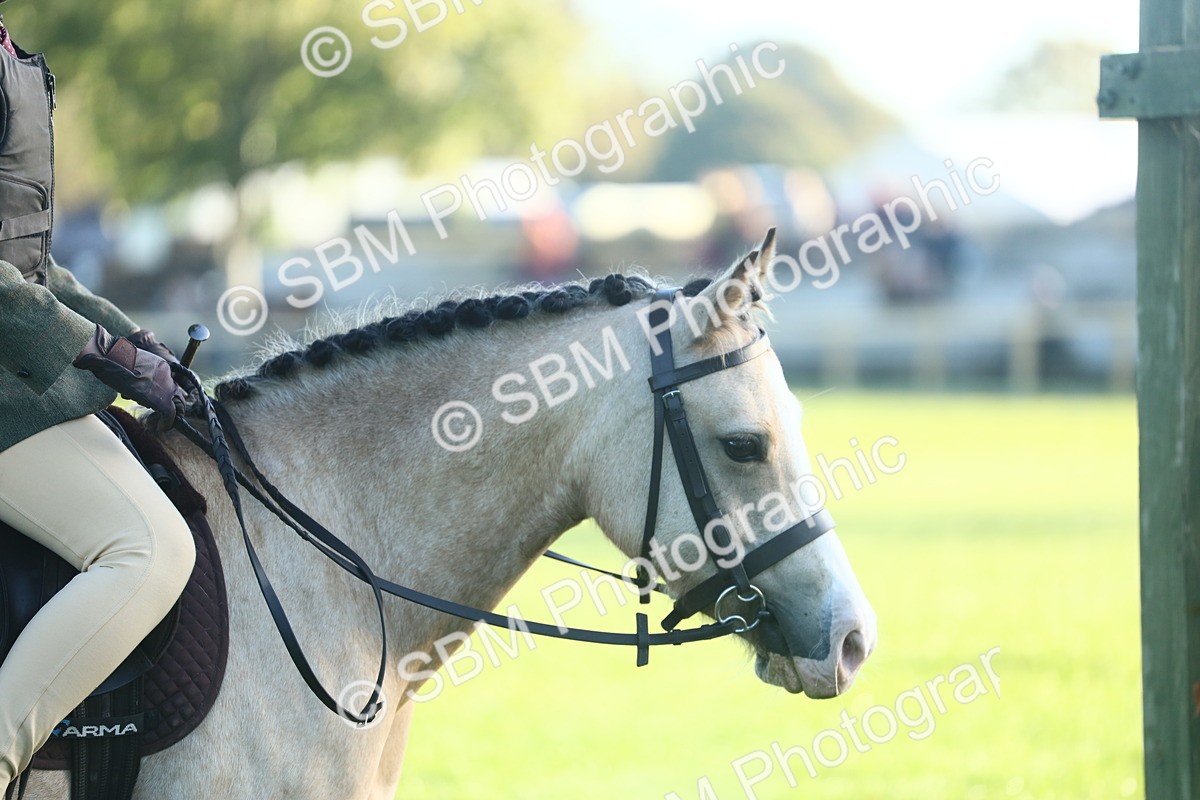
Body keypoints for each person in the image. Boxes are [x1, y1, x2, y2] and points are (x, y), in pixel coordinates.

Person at [0, 12, 196, 790]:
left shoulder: (11, 54)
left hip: (15, 372)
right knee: (149, 549)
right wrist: (105, 353)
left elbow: (28, 256)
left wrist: (129, 339)